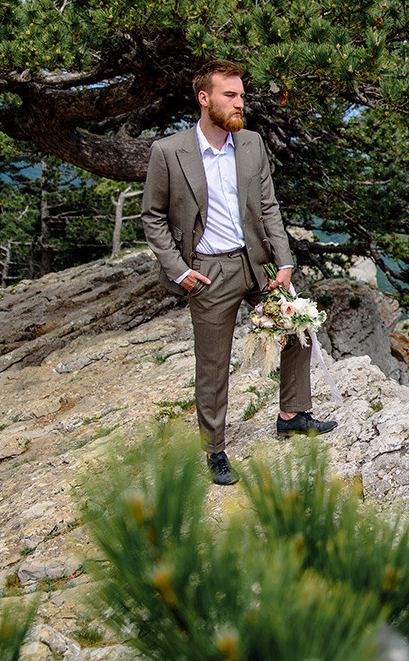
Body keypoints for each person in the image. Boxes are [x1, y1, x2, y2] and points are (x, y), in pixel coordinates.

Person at [142, 59, 336, 485]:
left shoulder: (250, 144)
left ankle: (291, 414)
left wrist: (283, 262)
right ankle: (214, 451)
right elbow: (152, 218)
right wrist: (179, 271)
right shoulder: (169, 152)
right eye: (230, 95)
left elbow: (268, 207)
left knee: (295, 326)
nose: (239, 103)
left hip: (255, 262)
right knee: (213, 365)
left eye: (242, 95)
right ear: (204, 98)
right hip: (207, 271)